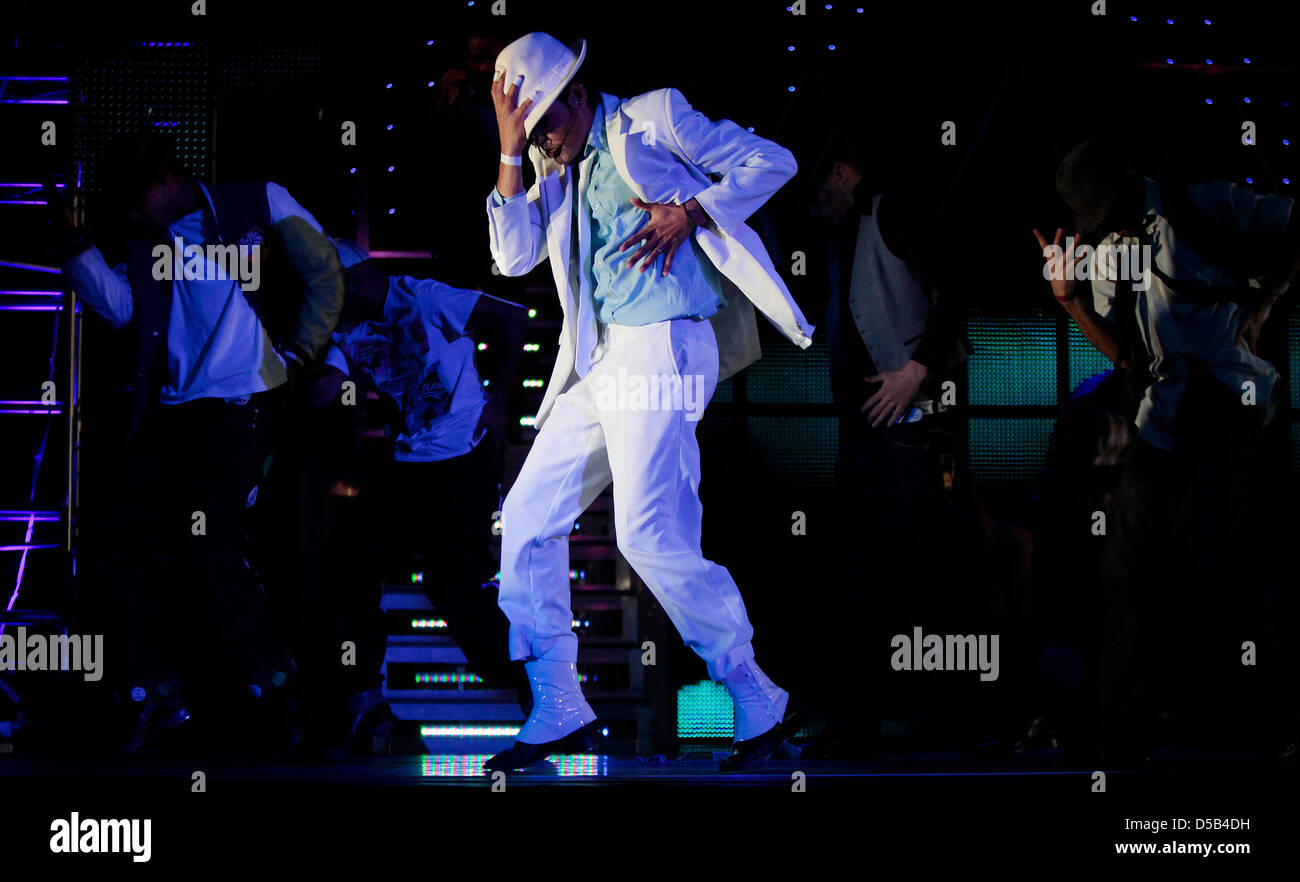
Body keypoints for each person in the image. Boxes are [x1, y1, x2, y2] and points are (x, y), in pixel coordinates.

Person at [484, 32, 816, 771]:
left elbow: (774, 161)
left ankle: (753, 687)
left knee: (646, 533)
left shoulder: (654, 117)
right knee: (529, 518)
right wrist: (513, 152)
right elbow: (511, 258)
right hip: (598, 361)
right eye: (528, 131)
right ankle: (559, 702)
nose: (545, 140)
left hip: (663, 342)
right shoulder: (549, 161)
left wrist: (692, 212)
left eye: (547, 124)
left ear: (577, 91)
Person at [51, 131, 345, 753]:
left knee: (210, 542)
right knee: (113, 536)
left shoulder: (257, 202)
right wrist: (77, 249)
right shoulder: (146, 239)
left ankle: (275, 682)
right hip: (176, 409)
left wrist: (298, 353)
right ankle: (157, 689)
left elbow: (325, 273)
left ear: (163, 177)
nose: (131, 215)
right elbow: (126, 311)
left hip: (241, 404)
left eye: (136, 201)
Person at [1037, 139, 1300, 761]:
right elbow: (1124, 358)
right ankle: (1121, 730)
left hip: (1230, 404)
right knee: (1126, 570)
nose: (1109, 227)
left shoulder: (1203, 204)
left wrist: (1264, 305)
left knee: (1228, 565)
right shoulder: (1107, 251)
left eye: (1110, 211)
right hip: (1161, 415)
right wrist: (1070, 301)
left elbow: (1291, 219)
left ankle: (1254, 725)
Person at [307, 240, 534, 727]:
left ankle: (534, 691)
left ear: (357, 280)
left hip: (463, 461)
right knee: (349, 559)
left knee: (454, 585)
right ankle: (362, 693)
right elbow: (328, 383)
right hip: (405, 465)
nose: (331, 302)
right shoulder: (343, 327)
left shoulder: (424, 297)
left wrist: (500, 401)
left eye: (334, 291)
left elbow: (515, 316)